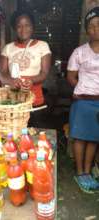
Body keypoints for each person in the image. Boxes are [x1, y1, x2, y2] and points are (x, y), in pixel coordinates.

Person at [0, 10, 51, 127]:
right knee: (14, 133)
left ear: (33, 27)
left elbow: (44, 72)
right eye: (19, 26)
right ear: (14, 28)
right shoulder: (8, 48)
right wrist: (11, 81)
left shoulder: (42, 46)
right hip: (13, 100)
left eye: (27, 25)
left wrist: (31, 81)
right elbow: (2, 73)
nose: (23, 29)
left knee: (35, 134)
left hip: (35, 100)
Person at [67, 7, 99, 193]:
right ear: (87, 30)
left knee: (94, 137)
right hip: (83, 101)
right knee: (80, 137)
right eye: (92, 26)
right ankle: (80, 173)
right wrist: (81, 89)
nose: (96, 29)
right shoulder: (79, 52)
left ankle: (88, 171)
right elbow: (71, 76)